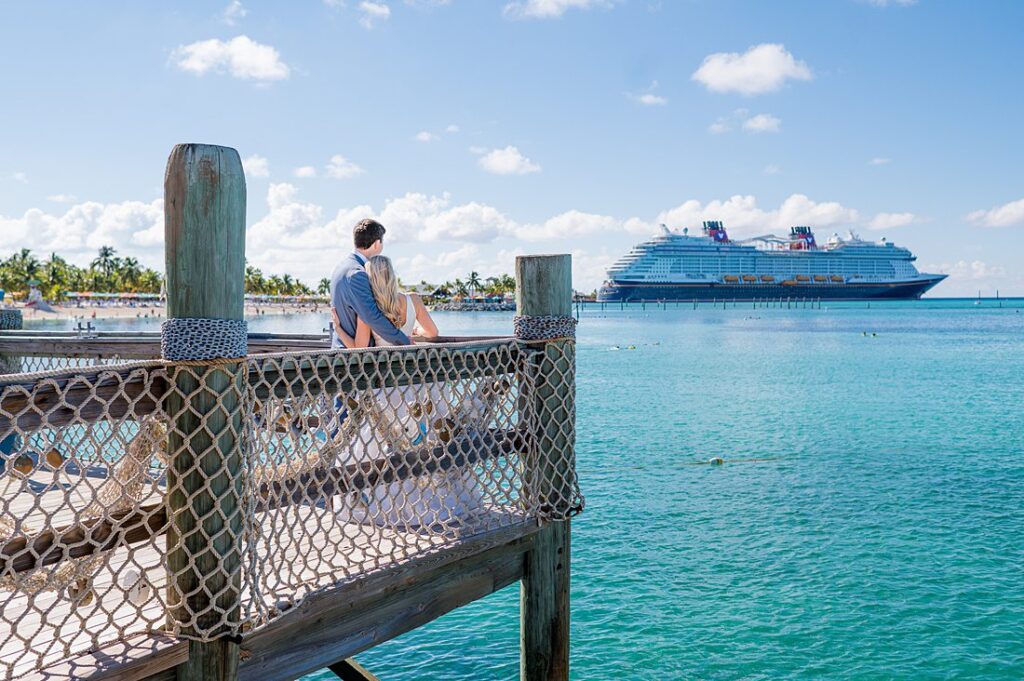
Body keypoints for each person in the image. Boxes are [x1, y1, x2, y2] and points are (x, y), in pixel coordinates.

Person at [329, 219, 409, 349]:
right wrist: (404, 341)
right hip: (354, 357)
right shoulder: (358, 274)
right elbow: (372, 316)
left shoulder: (340, 267)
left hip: (342, 349)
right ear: (377, 244)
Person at [330, 255, 438, 348]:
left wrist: (338, 328)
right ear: (391, 275)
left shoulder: (369, 309)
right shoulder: (414, 300)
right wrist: (416, 330)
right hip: (409, 362)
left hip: (385, 367)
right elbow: (433, 332)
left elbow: (358, 348)